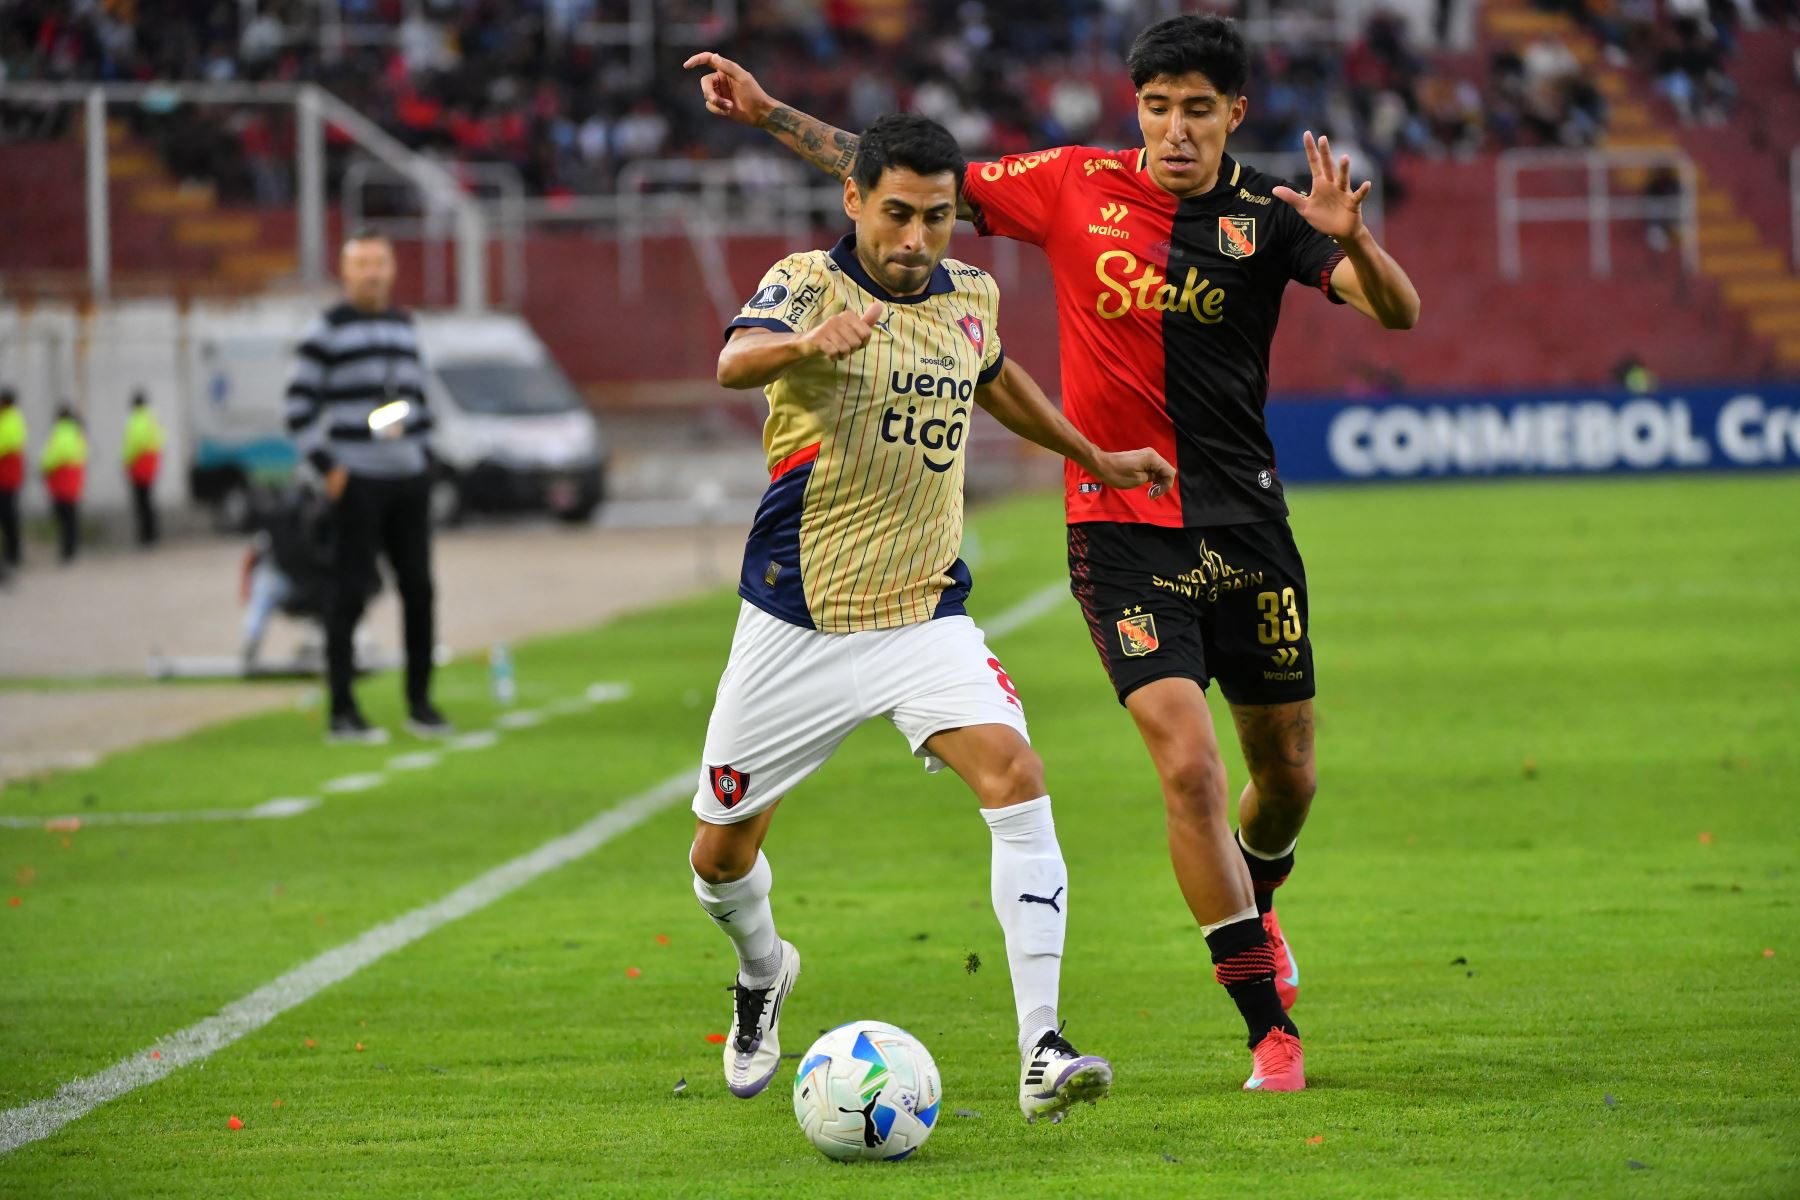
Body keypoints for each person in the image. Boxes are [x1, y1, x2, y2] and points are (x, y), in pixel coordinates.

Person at [689, 12, 1422, 1094]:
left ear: (1235, 116)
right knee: (1184, 767)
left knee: (1281, 777)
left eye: (1198, 110)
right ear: (1137, 109)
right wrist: (767, 116)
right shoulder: (1060, 187)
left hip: (1207, 531)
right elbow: (891, 181)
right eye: (1159, 106)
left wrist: (1350, 237)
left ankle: (1164, 969)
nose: (1175, 129)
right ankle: (1261, 1023)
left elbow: (1397, 314)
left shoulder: (1265, 216)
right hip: (1057, 548)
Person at [688, 114, 1175, 1123]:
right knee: (720, 859)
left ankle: (1042, 1043)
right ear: (855, 200)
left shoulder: (971, 293)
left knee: (1017, 774)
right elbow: (732, 364)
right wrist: (805, 345)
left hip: (923, 619)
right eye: (897, 213)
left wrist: (1092, 456)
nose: (916, 237)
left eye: (938, 217)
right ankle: (764, 972)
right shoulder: (807, 283)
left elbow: (996, 382)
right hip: (797, 621)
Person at [284, 231, 449, 744]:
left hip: (407, 476)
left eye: (380, 262)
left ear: (393, 268)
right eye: (362, 264)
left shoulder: (404, 326)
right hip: (358, 478)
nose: (372, 273)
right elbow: (297, 407)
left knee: (419, 589)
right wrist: (328, 465)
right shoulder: (325, 331)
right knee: (348, 592)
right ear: (345, 271)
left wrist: (424, 453)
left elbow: (418, 399)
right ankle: (342, 709)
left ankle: (420, 704)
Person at [41, 404, 88, 564]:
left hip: (61, 477)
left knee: (64, 517)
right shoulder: (77, 433)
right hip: (74, 477)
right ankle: (71, 548)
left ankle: (66, 550)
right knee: (71, 516)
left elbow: (53, 456)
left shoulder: (60, 433)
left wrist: (44, 467)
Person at [121, 389, 164, 547]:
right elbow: (159, 442)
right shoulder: (152, 419)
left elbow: (132, 445)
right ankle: (153, 535)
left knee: (141, 503)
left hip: (138, 465)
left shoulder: (135, 420)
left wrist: (125, 461)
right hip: (151, 465)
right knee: (149, 502)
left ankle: (146, 536)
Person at [0, 388, 24, 569]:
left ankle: (13, 554)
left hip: (7, 476)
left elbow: (6, 444)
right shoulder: (9, 419)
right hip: (7, 476)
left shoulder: (11, 420)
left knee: (9, 516)